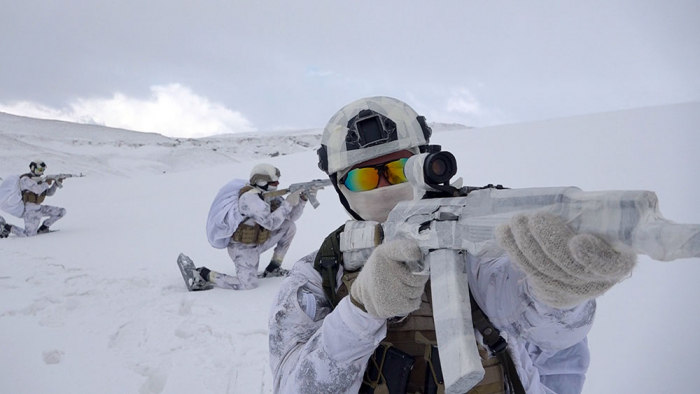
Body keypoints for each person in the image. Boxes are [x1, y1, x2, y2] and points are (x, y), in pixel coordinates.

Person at [268, 97, 637, 393]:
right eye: (365, 176)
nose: (384, 186)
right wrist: (361, 309)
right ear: (341, 189)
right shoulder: (319, 274)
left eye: (397, 169)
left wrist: (565, 289)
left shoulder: (476, 240)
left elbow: (553, 333)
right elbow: (295, 387)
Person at [192, 163, 316, 291]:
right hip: (243, 248)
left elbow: (290, 217)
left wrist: (302, 199)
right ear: (261, 182)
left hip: (260, 240)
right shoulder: (249, 198)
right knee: (247, 285)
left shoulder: (268, 194)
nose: (277, 185)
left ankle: (274, 267)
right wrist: (288, 203)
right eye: (273, 183)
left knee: (289, 227)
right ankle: (205, 274)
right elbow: (271, 223)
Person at [1, 159, 67, 238]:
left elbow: (49, 193)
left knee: (61, 212)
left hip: (39, 208)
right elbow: (37, 190)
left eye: (42, 170)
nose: (41, 172)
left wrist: (56, 184)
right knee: (29, 235)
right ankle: (8, 227)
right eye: (39, 170)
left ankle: (43, 228)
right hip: (30, 211)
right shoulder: (25, 179)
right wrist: (46, 183)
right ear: (32, 168)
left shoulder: (39, 180)